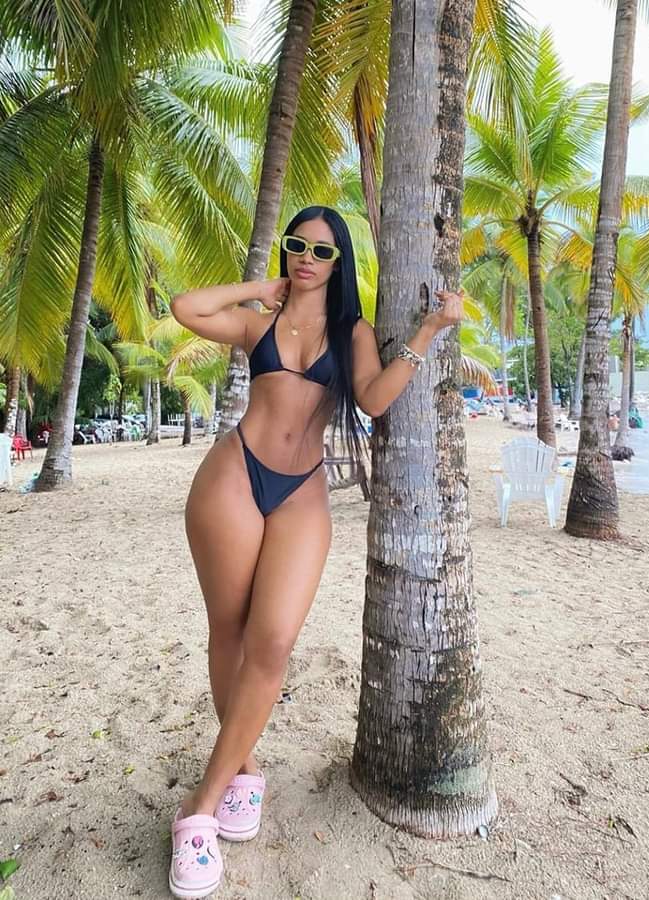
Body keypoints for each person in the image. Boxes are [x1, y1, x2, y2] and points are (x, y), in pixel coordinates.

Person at [167, 205, 464, 898]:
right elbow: (186, 307)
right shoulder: (258, 323)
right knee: (229, 630)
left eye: (322, 251)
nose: (307, 258)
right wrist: (257, 288)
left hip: (301, 492)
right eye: (297, 245)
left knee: (271, 643)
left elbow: (376, 398)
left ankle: (201, 803)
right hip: (234, 476)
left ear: (340, 263)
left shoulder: (350, 330)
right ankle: (240, 772)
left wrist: (428, 329)